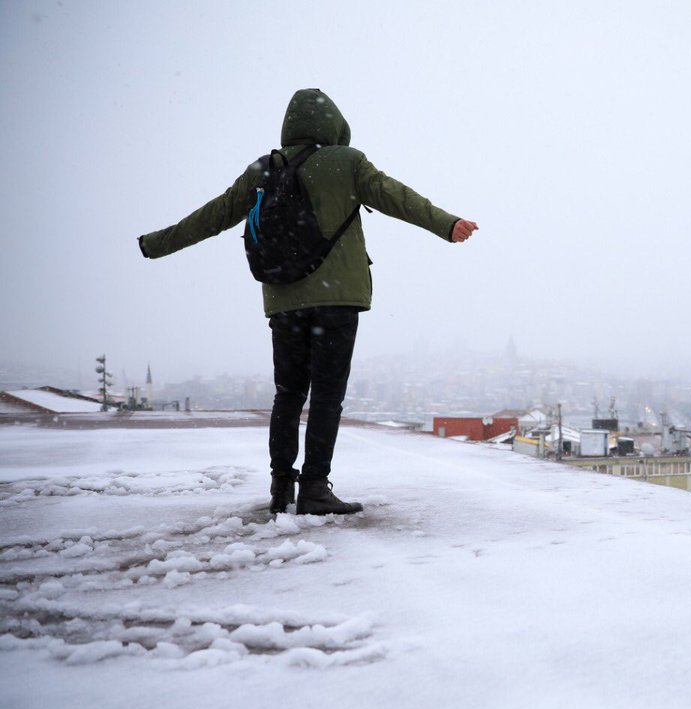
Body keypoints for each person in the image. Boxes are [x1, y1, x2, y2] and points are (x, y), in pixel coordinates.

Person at [138, 88, 477, 515]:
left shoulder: (263, 169)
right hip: (337, 299)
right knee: (327, 396)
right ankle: (315, 487)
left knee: (288, 394)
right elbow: (398, 198)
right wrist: (447, 225)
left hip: (284, 300)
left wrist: (157, 243)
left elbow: (213, 216)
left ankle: (282, 488)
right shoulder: (347, 163)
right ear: (335, 125)